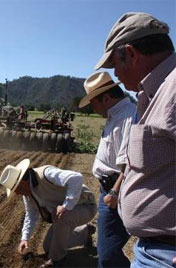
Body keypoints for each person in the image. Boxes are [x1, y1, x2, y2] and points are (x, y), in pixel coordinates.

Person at [95, 12, 176, 268]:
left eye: (115, 65)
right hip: (155, 249)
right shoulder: (154, 94)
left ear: (130, 53)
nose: (116, 75)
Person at [79, 71, 136, 267]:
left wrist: (114, 191)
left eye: (94, 103)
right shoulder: (114, 116)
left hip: (117, 193)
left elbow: (131, 162)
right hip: (109, 191)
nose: (93, 109)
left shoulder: (129, 117)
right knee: (107, 253)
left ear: (106, 97)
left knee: (108, 254)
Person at [0, 159, 97, 267]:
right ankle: (85, 233)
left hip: (86, 206)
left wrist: (66, 205)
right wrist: (24, 238)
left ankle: (58, 260)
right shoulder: (27, 194)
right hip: (67, 214)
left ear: (23, 182)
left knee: (62, 218)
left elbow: (76, 178)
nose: (17, 193)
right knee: (48, 247)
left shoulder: (46, 174)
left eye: (16, 189)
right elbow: (31, 215)